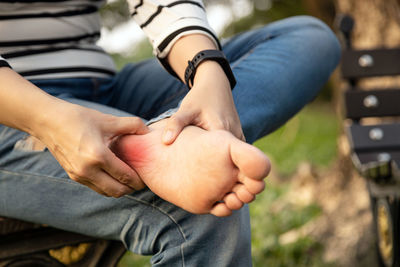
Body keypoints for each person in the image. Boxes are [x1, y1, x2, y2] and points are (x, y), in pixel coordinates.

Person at [0, 0, 341, 266]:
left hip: (102, 87)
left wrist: (206, 71)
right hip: (13, 109)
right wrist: (46, 117)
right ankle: (167, 147)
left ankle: (166, 136)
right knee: (196, 208)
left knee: (309, 39)